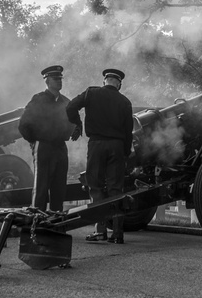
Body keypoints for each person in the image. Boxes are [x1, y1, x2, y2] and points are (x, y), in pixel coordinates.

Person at [66, 68, 134, 244]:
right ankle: (118, 234)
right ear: (118, 84)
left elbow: (70, 107)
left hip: (96, 145)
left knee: (95, 186)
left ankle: (100, 230)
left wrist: (78, 123)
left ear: (105, 80)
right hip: (117, 146)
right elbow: (128, 132)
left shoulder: (91, 93)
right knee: (116, 189)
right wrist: (125, 153)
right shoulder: (125, 101)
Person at [18, 65, 82, 213]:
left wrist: (78, 126)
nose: (59, 81)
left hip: (60, 146)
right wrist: (34, 141)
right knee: (41, 187)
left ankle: (56, 220)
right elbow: (23, 124)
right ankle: (37, 222)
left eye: (60, 79)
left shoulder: (66, 102)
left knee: (59, 187)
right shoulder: (38, 99)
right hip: (43, 146)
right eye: (55, 79)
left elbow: (76, 120)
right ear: (47, 81)